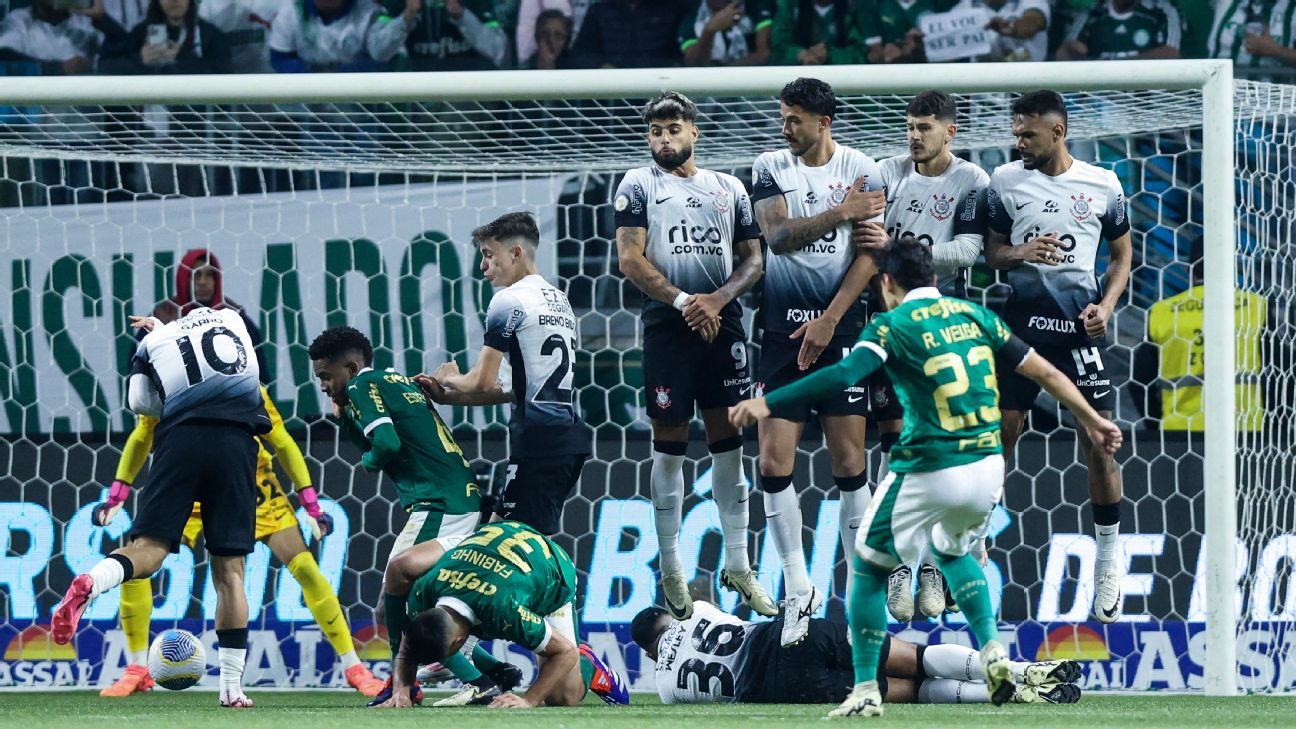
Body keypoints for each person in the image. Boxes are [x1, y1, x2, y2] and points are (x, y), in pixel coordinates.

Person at [729, 239, 1123, 717]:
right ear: (935, 279)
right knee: (952, 550)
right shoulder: (976, 316)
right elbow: (1046, 374)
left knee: (870, 568)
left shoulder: (891, 324)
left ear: (888, 284)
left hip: (931, 464)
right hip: (987, 466)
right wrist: (1095, 419)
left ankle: (865, 688)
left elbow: (843, 373)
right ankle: (992, 649)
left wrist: (767, 402)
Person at [91, 386, 384, 698]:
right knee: (138, 564)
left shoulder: (244, 385)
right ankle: (138, 668)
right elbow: (141, 435)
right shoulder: (169, 383)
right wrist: (117, 495)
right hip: (189, 483)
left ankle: (354, 667)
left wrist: (310, 503)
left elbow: (281, 440)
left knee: (305, 568)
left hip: (247, 482)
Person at [52, 307, 271, 709]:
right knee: (230, 571)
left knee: (148, 552)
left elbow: (139, 402)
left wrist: (157, 352)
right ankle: (231, 688)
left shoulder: (153, 342)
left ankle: (92, 583)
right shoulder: (234, 321)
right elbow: (250, 365)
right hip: (236, 441)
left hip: (179, 441)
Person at [613, 91, 776, 622]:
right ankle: (672, 564)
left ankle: (738, 564)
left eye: (673, 129)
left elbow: (755, 258)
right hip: (669, 327)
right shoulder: (638, 184)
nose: (664, 139)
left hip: (723, 323)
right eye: (656, 131)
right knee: (670, 450)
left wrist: (718, 299)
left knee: (729, 448)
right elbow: (630, 259)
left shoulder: (729, 188)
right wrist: (686, 301)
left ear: (694, 133)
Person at [982, 90, 1133, 624]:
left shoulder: (1103, 185)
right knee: (1000, 432)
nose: (1018, 142)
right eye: (1015, 132)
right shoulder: (1004, 182)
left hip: (1078, 329)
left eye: (1027, 134)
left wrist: (1107, 305)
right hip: (1021, 327)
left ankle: (1109, 561)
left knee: (1100, 442)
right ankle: (977, 539)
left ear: (1058, 132)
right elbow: (991, 250)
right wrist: (1019, 253)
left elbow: (1121, 256)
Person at [308, 326, 515, 707]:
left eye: (325, 376)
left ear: (351, 368)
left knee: (399, 592)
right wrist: (345, 420)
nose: (322, 384)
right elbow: (376, 436)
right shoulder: (392, 379)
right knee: (417, 596)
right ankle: (490, 671)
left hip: (438, 503)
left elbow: (384, 444)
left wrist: (369, 462)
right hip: (458, 497)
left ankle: (410, 684)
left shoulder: (359, 388)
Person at [748, 76, 885, 646]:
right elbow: (777, 237)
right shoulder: (768, 166)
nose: (785, 128)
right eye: (783, 117)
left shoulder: (865, 168)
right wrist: (843, 211)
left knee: (849, 458)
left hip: (841, 327)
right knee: (772, 460)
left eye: (794, 119)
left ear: (823, 121)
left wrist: (829, 319)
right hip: (781, 330)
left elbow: (870, 255)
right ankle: (798, 588)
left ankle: (860, 587)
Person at [868, 90, 989, 621]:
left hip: (945, 326)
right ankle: (899, 561)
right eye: (909, 126)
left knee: (945, 448)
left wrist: (901, 251)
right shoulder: (884, 172)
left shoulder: (972, 182)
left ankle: (935, 571)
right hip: (892, 324)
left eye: (924, 127)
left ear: (950, 132)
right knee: (894, 442)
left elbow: (968, 251)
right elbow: (863, 241)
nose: (914, 135)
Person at [418, 212, 592, 538]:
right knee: (511, 538)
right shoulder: (558, 299)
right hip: (567, 439)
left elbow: (481, 381)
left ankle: (564, 589)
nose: (483, 266)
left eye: (488, 255)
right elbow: (510, 387)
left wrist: (448, 377)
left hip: (539, 442)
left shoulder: (507, 300)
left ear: (515, 253)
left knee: (507, 545)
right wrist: (449, 397)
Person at [632, 600, 1081, 705]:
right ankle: (1021, 671)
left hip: (781, 686)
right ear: (670, 617)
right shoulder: (699, 611)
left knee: (904, 690)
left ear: (650, 655)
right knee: (915, 656)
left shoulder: (665, 689)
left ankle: (1009, 695)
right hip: (793, 637)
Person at [381, 520, 630, 708]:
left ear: (459, 643)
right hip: (492, 545)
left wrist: (528, 700)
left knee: (562, 696)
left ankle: (590, 664)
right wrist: (402, 688)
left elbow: (564, 652)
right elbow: (409, 640)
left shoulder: (505, 611)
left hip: (550, 569)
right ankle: (494, 672)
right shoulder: (425, 590)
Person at [1134, 238, 1268, 432]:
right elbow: (1280, 369)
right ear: (1231, 266)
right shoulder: (1257, 306)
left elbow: (1140, 382)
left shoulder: (1162, 311)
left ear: (1189, 271)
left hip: (1180, 432)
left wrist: (1156, 428)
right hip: (1245, 430)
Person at [268, 0, 406, 72]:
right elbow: (279, 58)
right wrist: (309, 80)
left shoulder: (370, 14)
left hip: (357, 107)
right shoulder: (291, 12)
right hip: (304, 105)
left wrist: (340, 76)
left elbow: (381, 60)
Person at [98, 0, 231, 74]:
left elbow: (224, 74)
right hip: (148, 121)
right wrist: (140, 61)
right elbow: (106, 67)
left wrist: (180, 56)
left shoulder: (209, 34)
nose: (174, 0)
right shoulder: (140, 33)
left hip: (195, 120)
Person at [0, 0, 125, 75]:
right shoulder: (21, 20)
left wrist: (102, 19)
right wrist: (59, 68)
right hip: (37, 114)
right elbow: (5, 55)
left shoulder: (86, 23)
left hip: (84, 116)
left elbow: (129, 53)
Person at [382, 0, 508, 72]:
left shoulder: (477, 3)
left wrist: (461, 15)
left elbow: (497, 50)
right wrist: (407, 16)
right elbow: (378, 52)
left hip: (469, 85)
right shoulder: (401, 3)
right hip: (421, 85)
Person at [565, 0, 688, 68]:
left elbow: (681, 55)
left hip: (659, 90)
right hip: (612, 94)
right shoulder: (599, 11)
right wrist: (602, 65)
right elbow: (581, 54)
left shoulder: (671, 9)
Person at [1055, 0, 1182, 60]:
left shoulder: (1162, 11)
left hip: (1146, 101)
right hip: (1098, 101)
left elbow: (1170, 53)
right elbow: (1064, 52)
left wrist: (1114, 66)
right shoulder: (1093, 13)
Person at [769, 0, 871, 65]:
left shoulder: (856, 5)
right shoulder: (789, 5)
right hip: (794, 77)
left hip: (843, 81)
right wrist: (799, 54)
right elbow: (777, 46)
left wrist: (830, 55)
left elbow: (862, 53)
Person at [678, 0, 773, 67]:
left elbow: (764, 54)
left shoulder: (754, 6)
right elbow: (694, 64)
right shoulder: (692, 17)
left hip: (752, 81)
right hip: (710, 86)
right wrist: (709, 31)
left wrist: (724, 70)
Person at [1208, 0, 1296, 72]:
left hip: (1272, 91)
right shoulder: (1226, 2)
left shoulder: (1292, 9)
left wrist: (1278, 51)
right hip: (1219, 87)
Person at [951, 0, 1049, 62]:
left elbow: (1033, 22)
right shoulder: (963, 7)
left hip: (1029, 83)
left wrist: (1012, 27)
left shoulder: (1033, 2)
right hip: (981, 88)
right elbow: (944, 49)